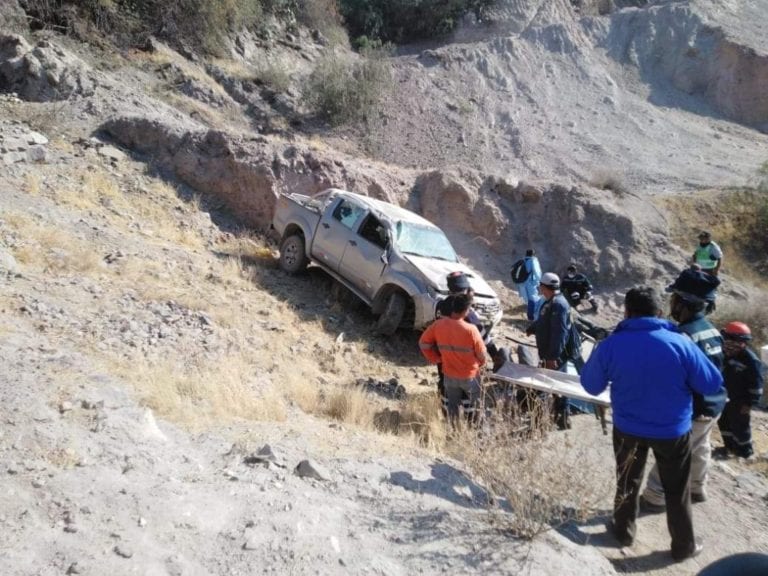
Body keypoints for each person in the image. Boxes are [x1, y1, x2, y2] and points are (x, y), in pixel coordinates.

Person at [580, 286, 723, 562]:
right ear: (659, 312)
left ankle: (623, 531)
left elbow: (590, 385)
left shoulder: (611, 344)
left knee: (627, 481)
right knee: (676, 488)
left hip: (627, 428)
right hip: (672, 430)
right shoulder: (681, 343)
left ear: (627, 312)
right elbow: (711, 382)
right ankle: (684, 546)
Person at [640, 269, 726, 511]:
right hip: (714, 404)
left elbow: (675, 378)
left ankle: (655, 497)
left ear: (685, 303)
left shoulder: (683, 336)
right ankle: (698, 488)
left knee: (671, 454)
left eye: (674, 299)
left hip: (694, 408)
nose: (671, 304)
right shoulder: (712, 330)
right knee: (700, 447)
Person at [420, 293, 487, 425]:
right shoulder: (471, 329)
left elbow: (423, 344)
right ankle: (473, 434)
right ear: (465, 312)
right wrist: (481, 364)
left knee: (452, 409)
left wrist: (436, 359)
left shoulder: (438, 325)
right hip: (470, 376)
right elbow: (482, 354)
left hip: (449, 375)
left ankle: (453, 434)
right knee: (474, 408)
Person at [525, 272, 574, 429]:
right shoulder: (551, 302)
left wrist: (552, 357)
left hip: (554, 354)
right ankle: (560, 417)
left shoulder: (558, 304)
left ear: (545, 287)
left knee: (552, 385)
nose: (539, 288)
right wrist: (533, 328)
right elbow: (544, 321)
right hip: (549, 352)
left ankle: (553, 419)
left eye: (541, 285)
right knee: (555, 385)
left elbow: (559, 333)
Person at [717, 321, 765, 459]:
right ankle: (729, 447)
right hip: (724, 396)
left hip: (741, 402)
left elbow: (756, 383)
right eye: (728, 339)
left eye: (734, 340)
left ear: (743, 342)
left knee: (740, 427)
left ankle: (745, 453)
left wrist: (750, 403)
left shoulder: (751, 360)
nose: (730, 343)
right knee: (724, 422)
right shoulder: (723, 353)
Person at [516, 249, 542, 321]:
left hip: (522, 282)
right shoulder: (533, 261)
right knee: (534, 299)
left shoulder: (523, 261)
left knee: (528, 300)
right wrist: (538, 282)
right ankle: (532, 317)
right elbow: (537, 272)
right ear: (533, 254)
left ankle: (530, 316)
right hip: (531, 282)